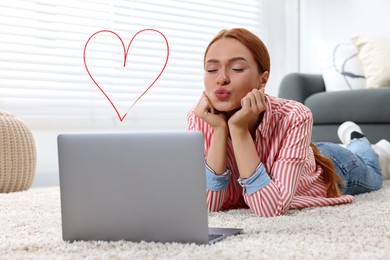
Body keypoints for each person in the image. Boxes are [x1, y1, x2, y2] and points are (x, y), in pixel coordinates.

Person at [186, 28, 390, 217]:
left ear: (263, 80)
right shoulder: (200, 118)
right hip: (297, 154)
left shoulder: (294, 115)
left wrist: (239, 130)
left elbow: (270, 209)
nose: (221, 79)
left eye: (237, 68)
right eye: (212, 69)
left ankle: (362, 143)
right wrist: (220, 130)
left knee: (373, 173)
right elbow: (208, 206)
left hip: (332, 165)